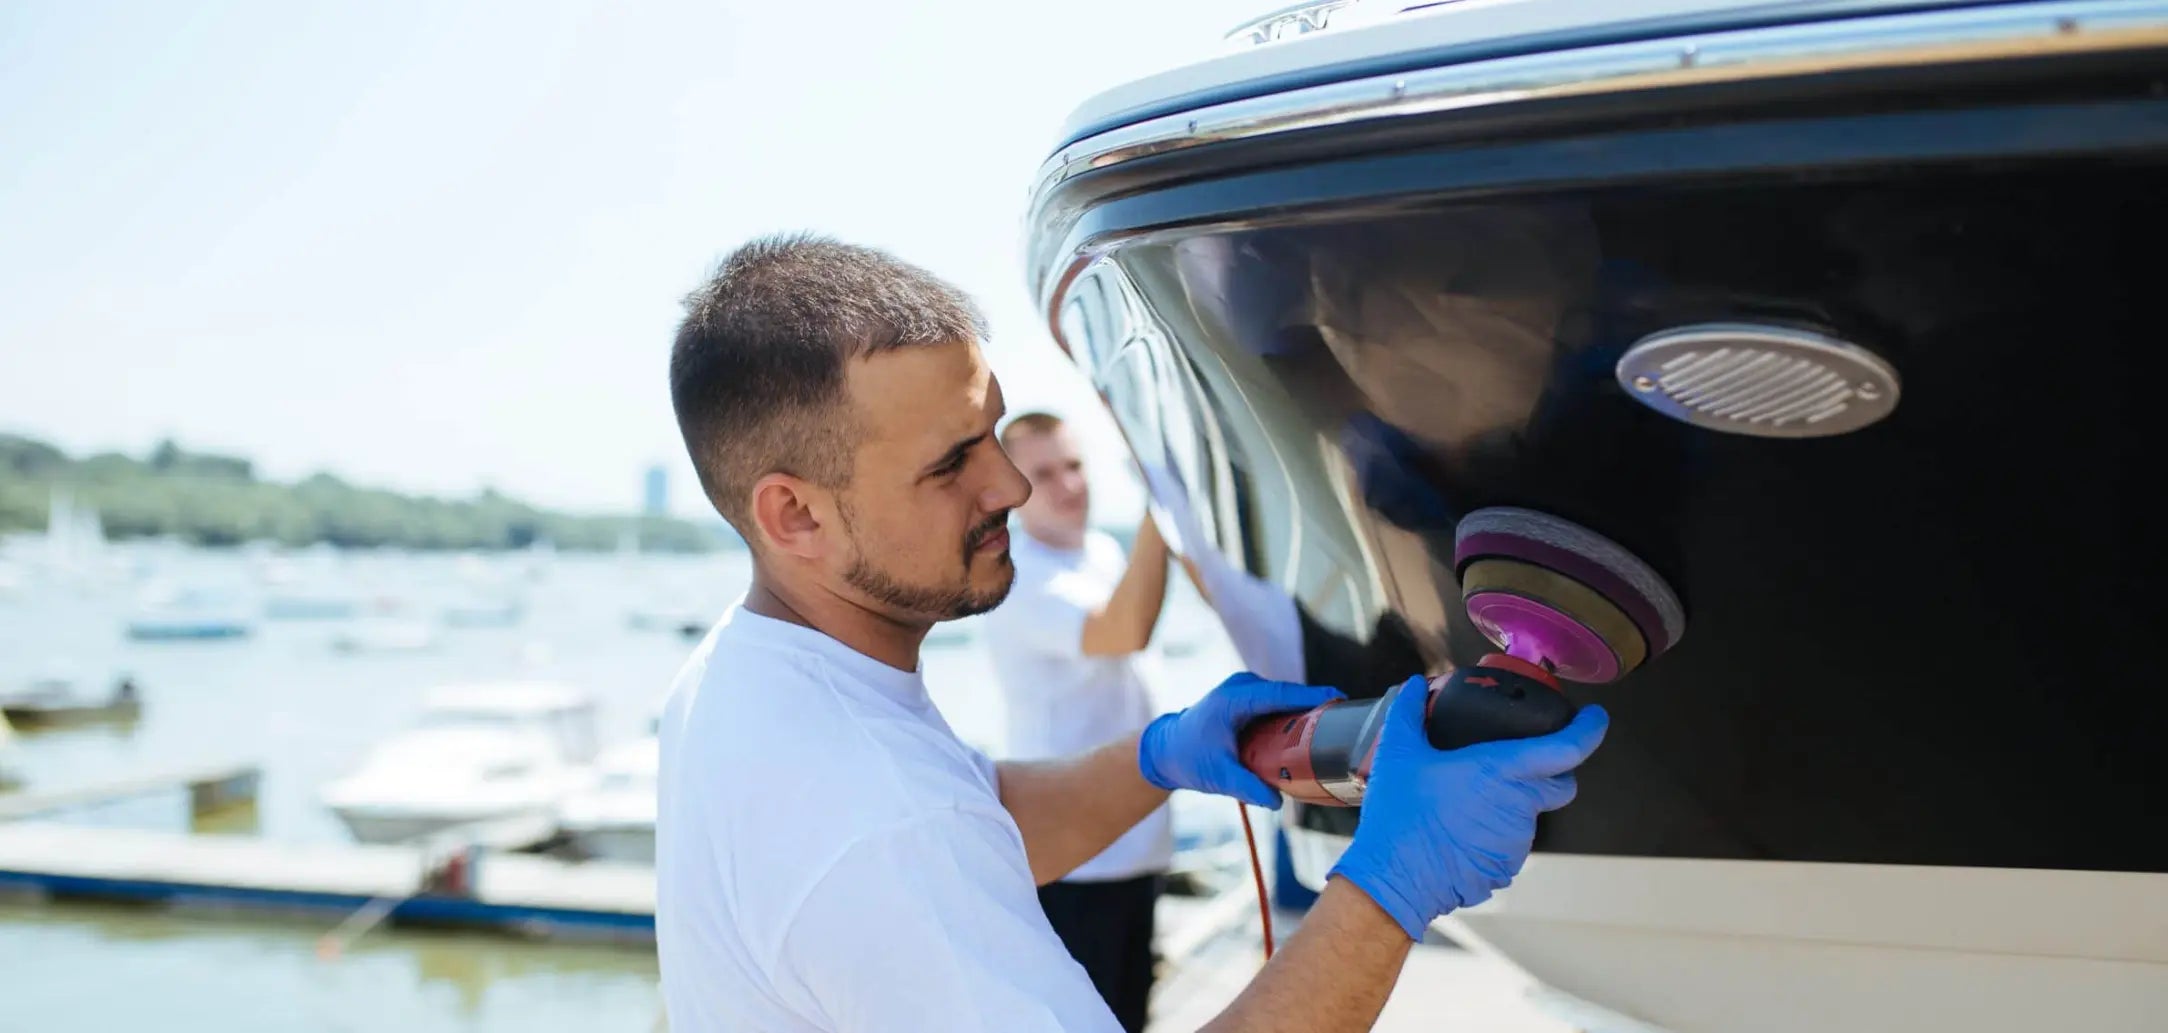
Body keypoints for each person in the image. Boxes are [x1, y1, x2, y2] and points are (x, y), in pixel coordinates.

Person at [656, 233, 1609, 1033]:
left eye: (990, 431)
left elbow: (976, 820)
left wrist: (1160, 757)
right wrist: (1394, 884)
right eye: (951, 463)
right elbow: (918, 833)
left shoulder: (740, 677)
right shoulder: (882, 828)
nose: (1011, 486)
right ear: (795, 516)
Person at [985, 412, 1173, 1032]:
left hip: (1138, 843)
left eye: (1073, 465)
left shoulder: (1099, 550)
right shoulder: (1018, 579)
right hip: (1077, 861)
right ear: (1013, 491)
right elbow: (1124, 629)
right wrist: (1166, 500)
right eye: (1043, 473)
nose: (1068, 484)